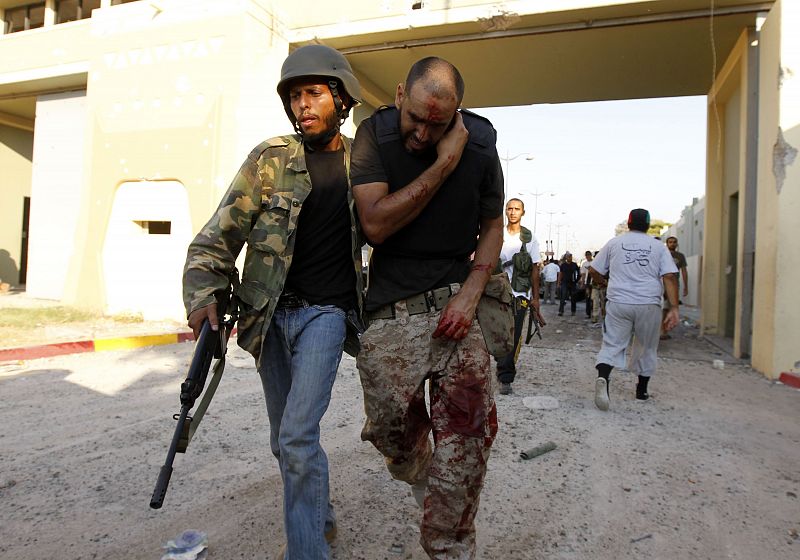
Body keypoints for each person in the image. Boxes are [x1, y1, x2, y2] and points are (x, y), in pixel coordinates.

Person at [182, 45, 364, 560]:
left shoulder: (364, 163)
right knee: (284, 441)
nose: (304, 105)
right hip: (268, 318)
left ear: (341, 98)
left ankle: (306, 553)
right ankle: (321, 520)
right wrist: (202, 293)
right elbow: (217, 236)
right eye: (295, 96)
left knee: (299, 435)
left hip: (326, 315)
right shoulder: (269, 160)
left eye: (315, 93)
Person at [349, 56, 504, 559]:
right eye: (415, 117)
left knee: (466, 439)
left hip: (457, 304)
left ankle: (449, 544)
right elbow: (375, 224)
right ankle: (420, 472)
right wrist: (442, 163)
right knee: (392, 434)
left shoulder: (480, 144)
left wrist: (470, 292)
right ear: (399, 95)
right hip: (391, 308)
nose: (421, 131)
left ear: (457, 112)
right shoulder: (375, 137)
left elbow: (492, 224)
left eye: (438, 124)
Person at [588, 208, 679, 411]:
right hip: (648, 303)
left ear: (628, 223)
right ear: (647, 225)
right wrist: (674, 307)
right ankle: (641, 391)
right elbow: (670, 276)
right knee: (646, 346)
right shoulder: (658, 246)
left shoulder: (614, 242)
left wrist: (604, 283)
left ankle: (603, 377)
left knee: (612, 343)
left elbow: (594, 270)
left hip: (619, 301)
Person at [495, 198, 545, 395]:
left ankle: (506, 376)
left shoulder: (529, 238)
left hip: (519, 293)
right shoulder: (496, 232)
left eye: (517, 209)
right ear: (505, 211)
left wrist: (535, 297)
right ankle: (501, 363)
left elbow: (534, 268)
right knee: (496, 331)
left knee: (513, 335)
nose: (513, 212)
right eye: (509, 208)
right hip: (496, 291)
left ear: (522, 212)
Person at [661, 236, 688, 340]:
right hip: (662, 284)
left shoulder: (680, 256)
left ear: (677, 244)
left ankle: (665, 330)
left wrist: (686, 286)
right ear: (666, 243)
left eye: (674, 242)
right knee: (662, 308)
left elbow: (684, 271)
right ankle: (661, 330)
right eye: (670, 242)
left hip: (674, 285)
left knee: (670, 308)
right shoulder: (663, 254)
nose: (672, 244)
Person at [557, 252, 580, 316]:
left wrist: (577, 280)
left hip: (573, 283)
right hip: (564, 283)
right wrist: (558, 283)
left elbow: (578, 273)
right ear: (566, 258)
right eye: (569, 257)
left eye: (571, 257)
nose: (570, 258)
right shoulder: (563, 265)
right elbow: (560, 274)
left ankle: (573, 311)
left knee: (573, 297)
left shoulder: (574, 265)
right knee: (563, 297)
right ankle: (561, 311)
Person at [579, 250, 594, 318]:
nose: (588, 256)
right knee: (588, 298)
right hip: (587, 283)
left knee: (593, 299)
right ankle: (588, 313)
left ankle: (593, 312)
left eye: (589, 255)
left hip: (594, 283)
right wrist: (582, 283)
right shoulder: (584, 264)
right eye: (586, 255)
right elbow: (583, 274)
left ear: (591, 255)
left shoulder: (594, 262)